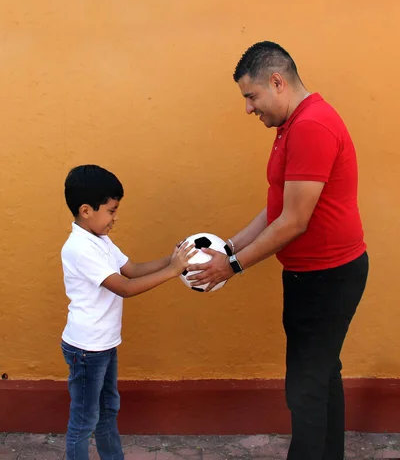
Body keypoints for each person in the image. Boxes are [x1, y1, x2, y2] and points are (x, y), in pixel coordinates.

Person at [188, 41, 368, 460]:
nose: (249, 109)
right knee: (321, 377)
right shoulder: (294, 124)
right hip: (314, 276)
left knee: (304, 390)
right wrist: (230, 244)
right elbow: (278, 208)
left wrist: (230, 266)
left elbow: (293, 222)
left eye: (251, 97)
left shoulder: (311, 126)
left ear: (277, 81)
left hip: (328, 278)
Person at [61, 164, 194, 460]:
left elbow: (132, 270)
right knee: (84, 422)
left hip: (104, 345)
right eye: (111, 211)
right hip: (85, 349)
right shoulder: (79, 248)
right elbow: (124, 287)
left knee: (109, 411)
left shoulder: (101, 241)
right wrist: (173, 272)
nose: (115, 218)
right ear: (86, 210)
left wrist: (171, 260)